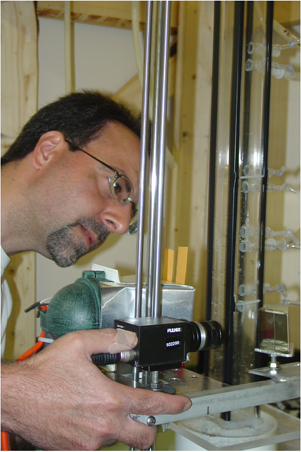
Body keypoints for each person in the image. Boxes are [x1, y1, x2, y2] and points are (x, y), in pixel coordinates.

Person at [1, 91, 192, 450]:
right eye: (118, 185)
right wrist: (14, 395)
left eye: (131, 211)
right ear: (48, 150)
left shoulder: (3, 296)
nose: (120, 224)